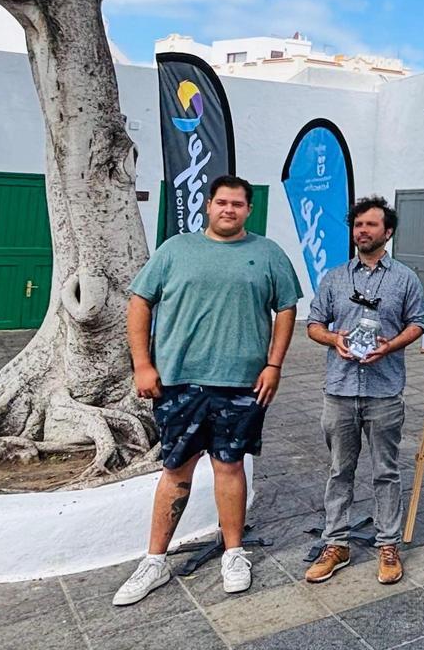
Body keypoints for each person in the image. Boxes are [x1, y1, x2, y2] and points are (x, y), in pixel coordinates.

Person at [113, 176, 300, 606]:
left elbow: (287, 307)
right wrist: (143, 364)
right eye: (221, 203)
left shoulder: (268, 253)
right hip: (179, 381)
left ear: (248, 210)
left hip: (242, 384)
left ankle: (234, 553)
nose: (228, 210)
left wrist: (274, 364)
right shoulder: (175, 250)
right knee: (176, 468)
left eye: (237, 204)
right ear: (208, 206)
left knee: (230, 466)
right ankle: (155, 560)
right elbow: (140, 302)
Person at [304, 195, 424, 587]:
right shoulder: (335, 278)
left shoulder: (405, 278)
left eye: (371, 225)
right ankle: (336, 543)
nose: (363, 231)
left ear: (387, 232)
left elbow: (418, 322)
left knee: (386, 471)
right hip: (339, 389)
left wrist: (390, 345)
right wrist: (333, 339)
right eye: (358, 225)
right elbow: (313, 324)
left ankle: (387, 544)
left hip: (384, 391)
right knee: (339, 470)